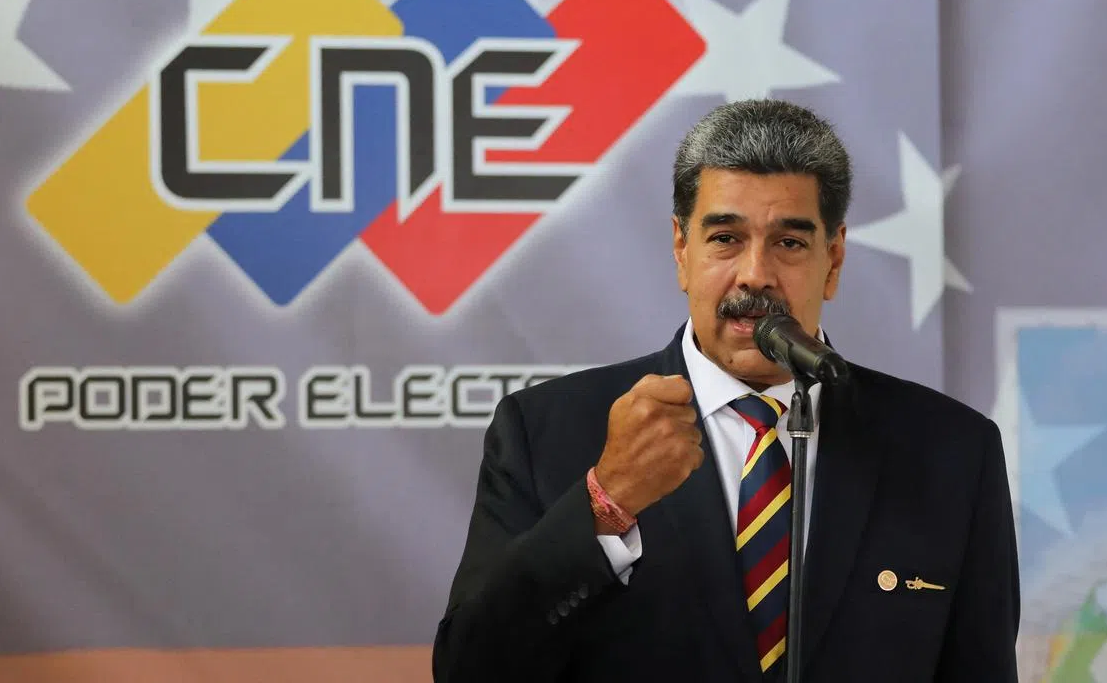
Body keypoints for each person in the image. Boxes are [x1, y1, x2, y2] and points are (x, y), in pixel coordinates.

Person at [432, 99, 1020, 682]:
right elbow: (469, 669)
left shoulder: (952, 453)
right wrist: (604, 505)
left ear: (833, 259)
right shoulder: (547, 433)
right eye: (725, 239)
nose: (755, 274)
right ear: (681, 249)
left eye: (789, 243)